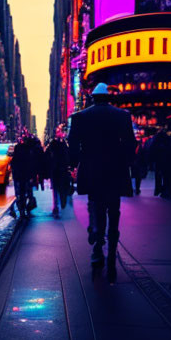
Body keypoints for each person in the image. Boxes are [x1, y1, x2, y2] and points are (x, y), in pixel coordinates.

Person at [68, 83, 137, 282]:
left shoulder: (80, 117)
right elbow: (130, 144)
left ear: (93, 98)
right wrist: (125, 162)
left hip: (92, 171)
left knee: (97, 209)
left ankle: (98, 249)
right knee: (114, 212)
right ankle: (112, 260)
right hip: (115, 171)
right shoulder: (122, 116)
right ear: (107, 97)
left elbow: (73, 146)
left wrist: (76, 163)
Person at [10, 134, 42, 220]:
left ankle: (21, 211)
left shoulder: (19, 149)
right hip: (25, 176)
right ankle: (23, 210)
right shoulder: (29, 150)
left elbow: (14, 163)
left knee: (20, 194)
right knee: (26, 193)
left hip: (19, 176)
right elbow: (32, 164)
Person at [45, 129, 71, 218]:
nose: (61, 133)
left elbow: (68, 155)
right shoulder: (54, 144)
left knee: (59, 189)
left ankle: (59, 205)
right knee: (57, 189)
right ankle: (56, 207)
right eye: (59, 132)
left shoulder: (63, 144)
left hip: (60, 170)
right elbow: (47, 157)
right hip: (56, 170)